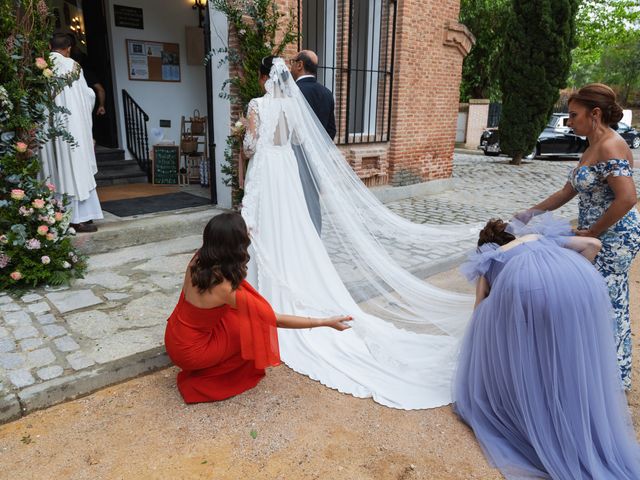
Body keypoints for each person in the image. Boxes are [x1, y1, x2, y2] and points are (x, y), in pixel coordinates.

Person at [240, 56, 479, 409]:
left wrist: (241, 130)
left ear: (263, 78)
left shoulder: (256, 105)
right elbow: (310, 140)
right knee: (295, 230)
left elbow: (250, 147)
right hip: (287, 173)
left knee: (265, 230)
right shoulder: (292, 105)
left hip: (267, 173)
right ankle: (290, 288)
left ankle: (266, 298)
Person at [454, 215, 640, 479]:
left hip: (529, 292)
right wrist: (562, 279)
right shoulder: (542, 238)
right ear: (513, 235)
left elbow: (479, 307)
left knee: (496, 319)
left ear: (487, 245)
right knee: (562, 342)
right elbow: (593, 245)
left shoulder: (489, 260)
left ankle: (528, 395)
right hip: (578, 285)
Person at [517, 83, 640, 389]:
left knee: (604, 300)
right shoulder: (591, 146)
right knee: (589, 298)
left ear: (594, 114)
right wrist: (529, 213)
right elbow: (566, 192)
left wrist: (594, 231)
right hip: (594, 234)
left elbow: (627, 198)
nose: (569, 121)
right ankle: (591, 372)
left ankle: (609, 381)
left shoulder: (611, 145)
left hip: (613, 236)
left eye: (574, 115)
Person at [164, 212, 351, 404]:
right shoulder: (225, 288)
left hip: (175, 334)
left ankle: (210, 365)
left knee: (236, 317)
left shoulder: (198, 260)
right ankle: (208, 381)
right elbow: (274, 319)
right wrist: (324, 322)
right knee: (252, 329)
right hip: (190, 352)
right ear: (236, 245)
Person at [40, 33, 103, 233]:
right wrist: (93, 96)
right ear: (68, 48)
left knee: (55, 168)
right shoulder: (74, 66)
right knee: (75, 168)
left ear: (50, 46)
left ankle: (53, 214)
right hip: (72, 128)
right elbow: (86, 96)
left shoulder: (41, 66)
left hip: (49, 130)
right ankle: (78, 217)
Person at [287, 50, 337, 234]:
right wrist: (318, 150)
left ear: (300, 65)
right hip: (317, 159)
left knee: (294, 201)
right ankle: (314, 238)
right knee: (312, 201)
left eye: (293, 62)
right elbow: (331, 130)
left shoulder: (293, 93)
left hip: (294, 157)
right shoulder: (327, 92)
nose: (291, 66)